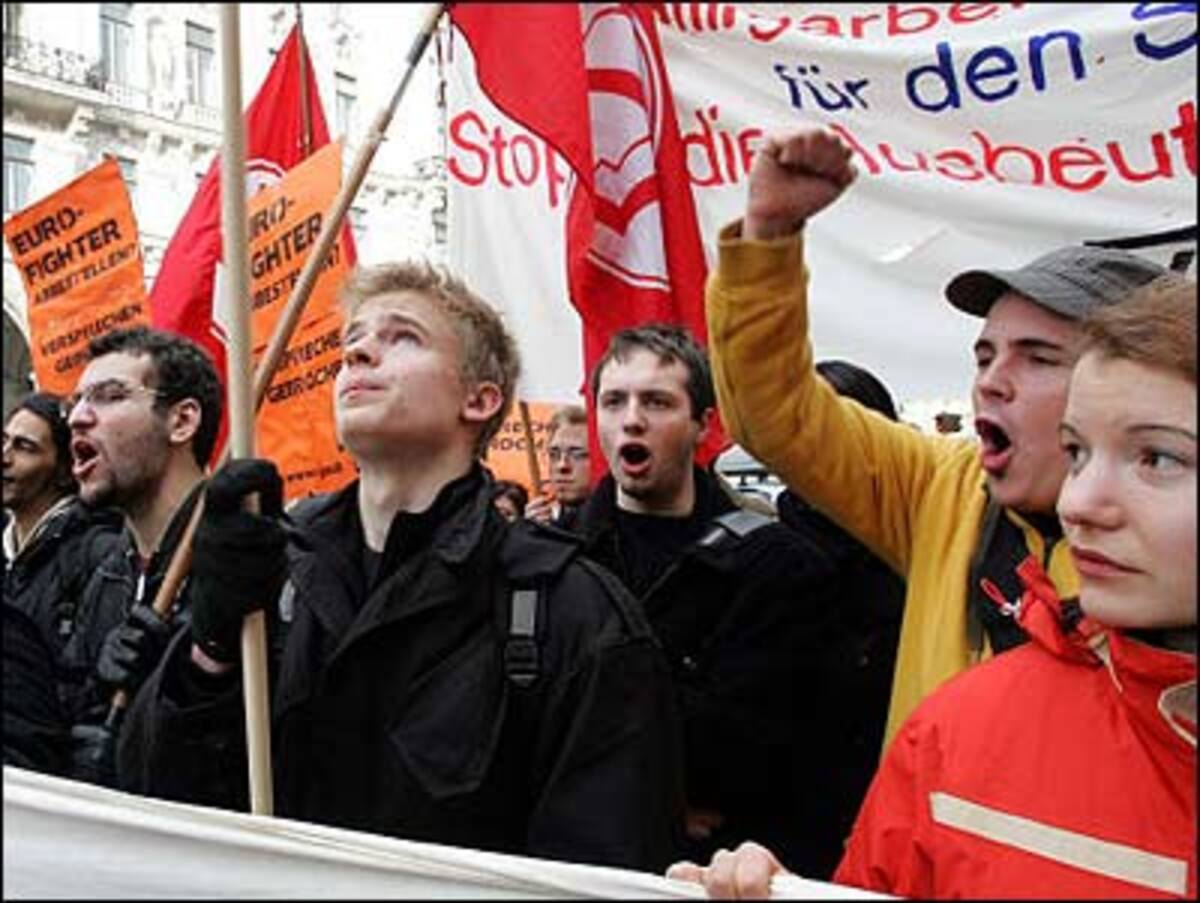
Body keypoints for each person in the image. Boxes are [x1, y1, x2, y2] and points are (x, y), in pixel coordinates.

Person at [118, 261, 685, 872]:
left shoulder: (569, 610)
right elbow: (155, 805)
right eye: (352, 344)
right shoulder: (274, 579)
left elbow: (604, 864)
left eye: (403, 337)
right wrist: (210, 646)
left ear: (480, 399)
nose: (359, 355)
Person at [670, 274, 1196, 899]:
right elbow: (773, 408)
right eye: (1078, 452)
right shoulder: (953, 727)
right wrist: (766, 239)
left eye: (1158, 458)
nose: (1084, 502)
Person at [704, 126, 1168, 749]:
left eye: (1038, 359)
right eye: (984, 356)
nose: (992, 383)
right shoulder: (940, 487)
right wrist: (768, 241)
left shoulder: (1174, 553)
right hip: (916, 843)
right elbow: (773, 413)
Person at [571, 322, 845, 874]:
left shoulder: (776, 565)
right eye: (614, 401)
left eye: (657, 401)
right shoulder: (549, 559)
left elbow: (748, 751)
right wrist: (654, 794)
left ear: (703, 426)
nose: (631, 419)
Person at [62, 327, 223, 783]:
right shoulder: (108, 574)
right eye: (73, 402)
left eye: (109, 396)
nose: (77, 417)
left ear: (181, 422)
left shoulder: (243, 564)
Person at [771, 359, 905, 879]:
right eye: (804, 423)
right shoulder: (759, 555)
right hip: (777, 829)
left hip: (887, 820)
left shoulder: (920, 555)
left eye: (837, 425)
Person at [3, 392, 122, 658]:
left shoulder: (96, 554)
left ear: (63, 470)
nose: (4, 457)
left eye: (24, 447)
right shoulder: (7, 550)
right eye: (4, 440)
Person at [525, 403, 591, 529]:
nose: (562, 465)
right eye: (554, 454)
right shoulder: (536, 523)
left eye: (577, 454)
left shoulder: (617, 531)